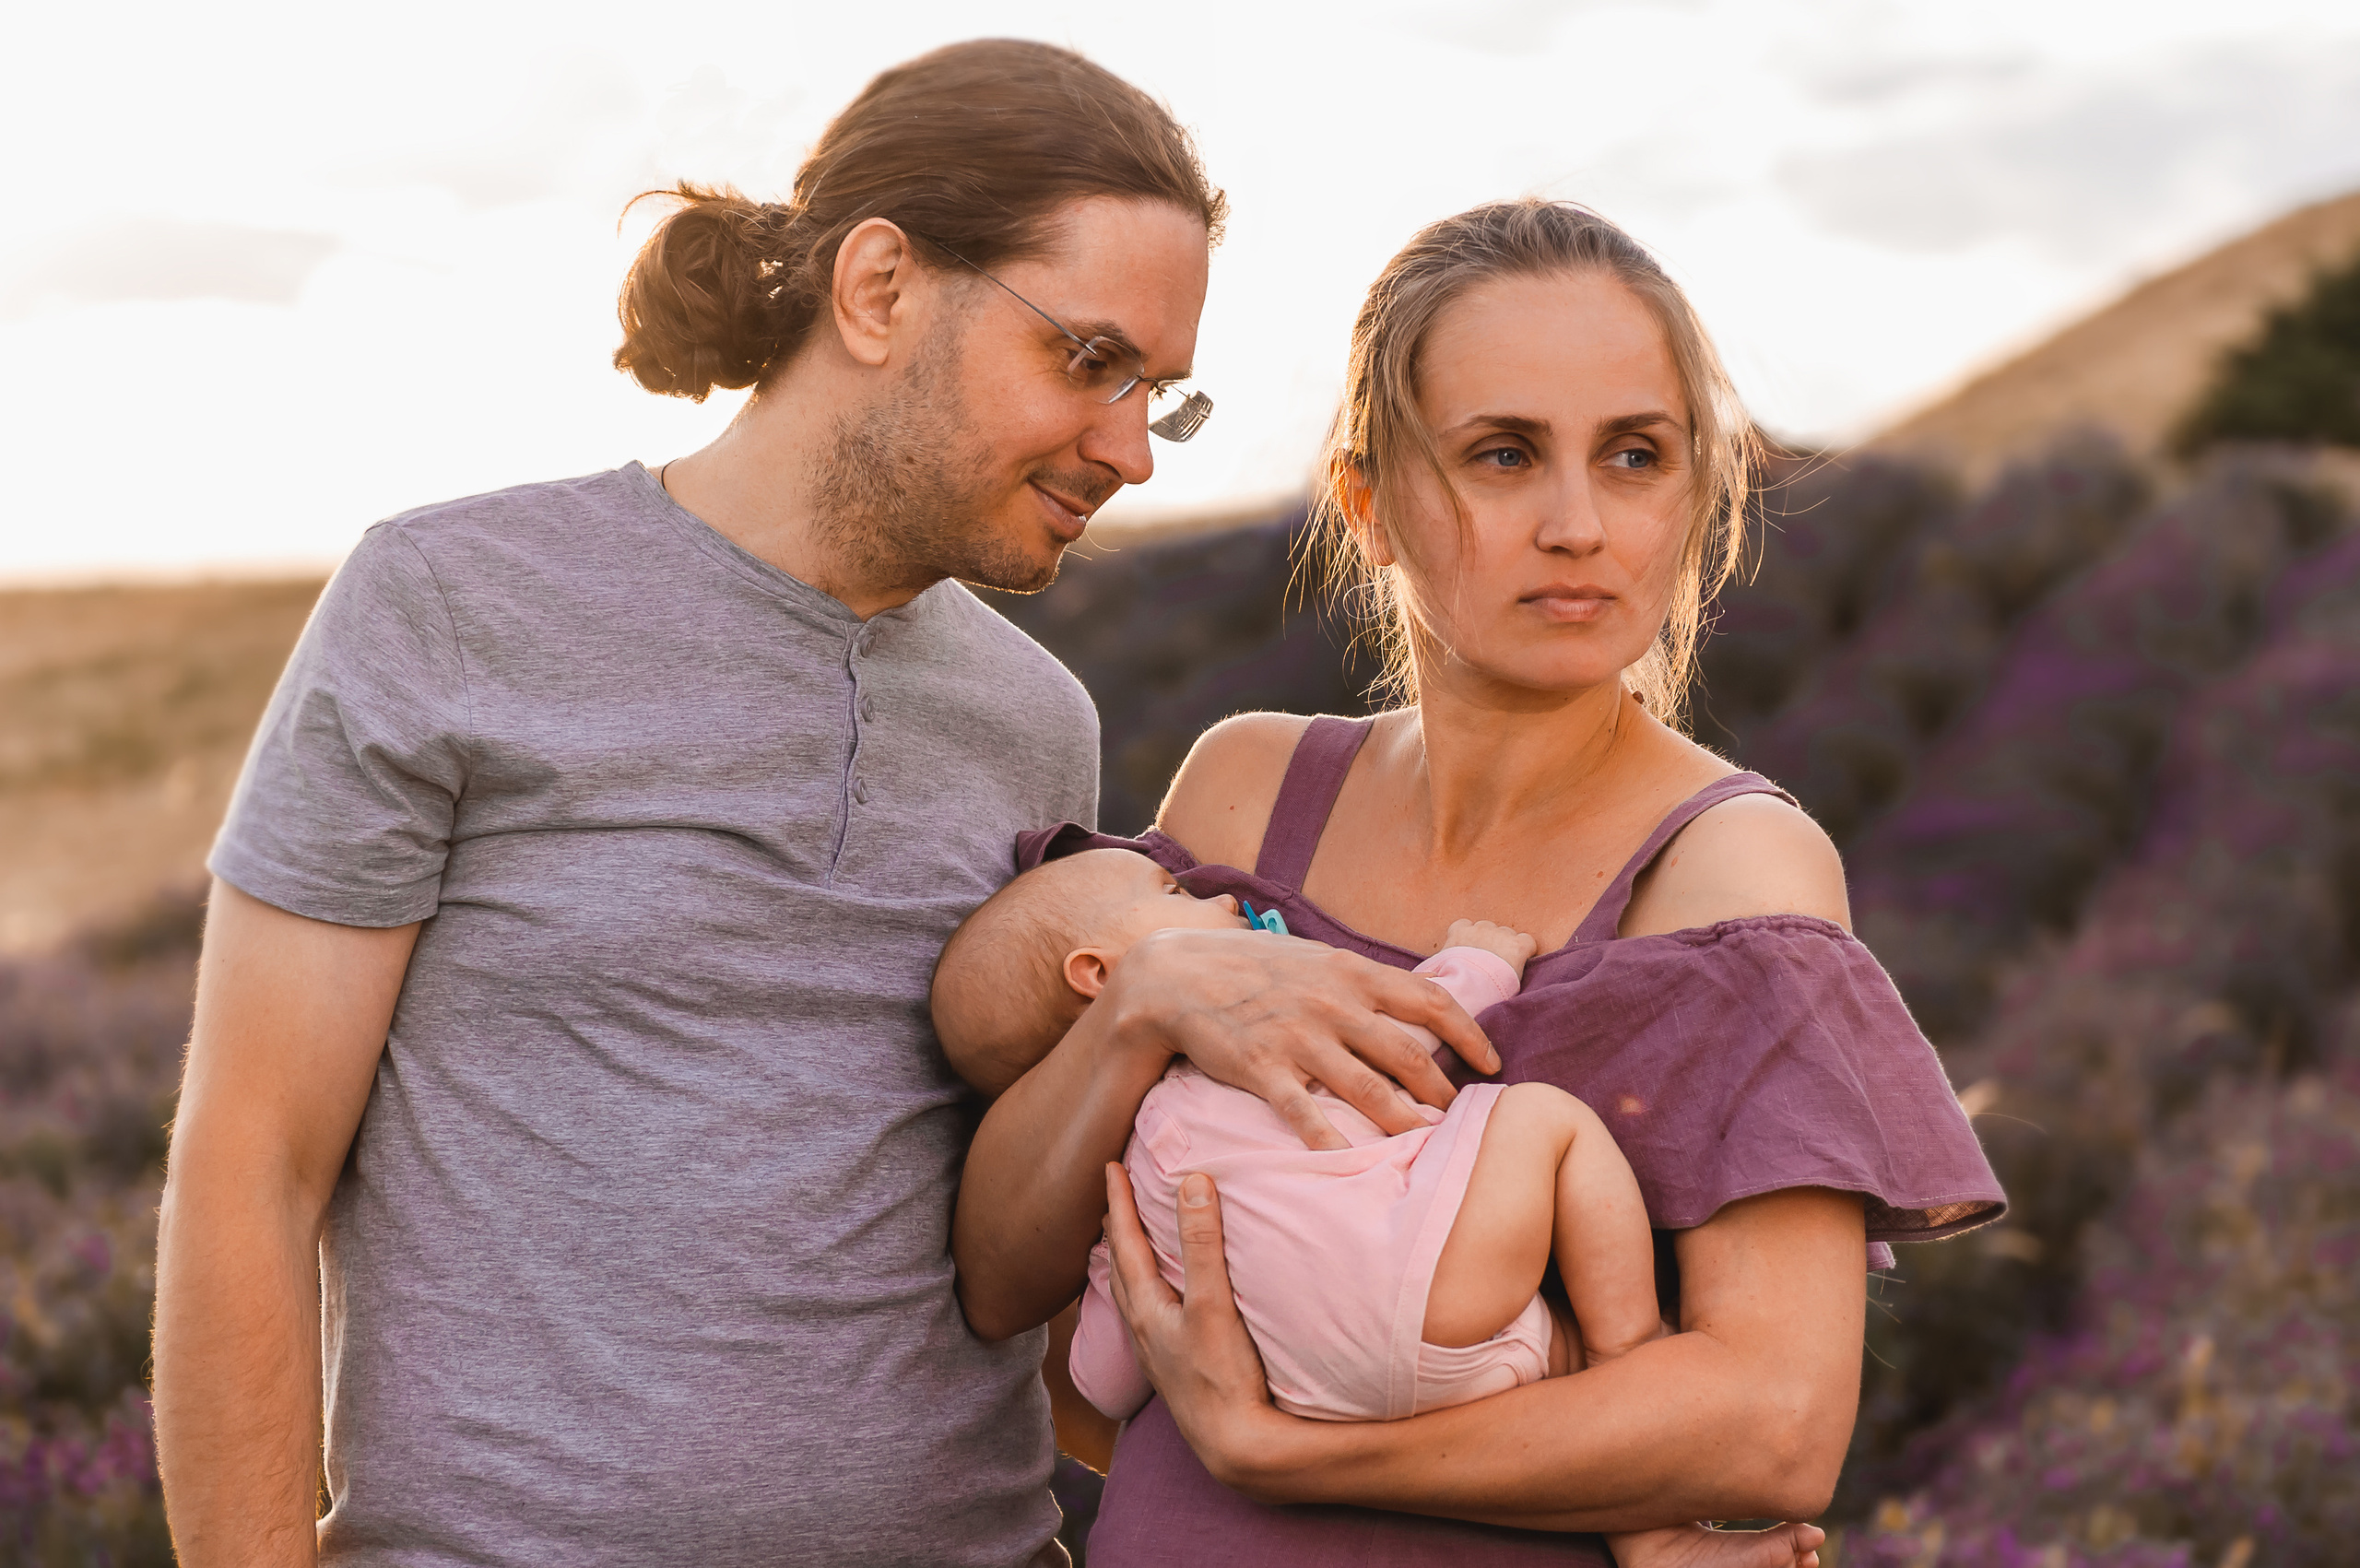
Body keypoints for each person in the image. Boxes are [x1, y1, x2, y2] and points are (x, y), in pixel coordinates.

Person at [151, 39, 1230, 1568]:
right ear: (879, 288)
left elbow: (1016, 1250)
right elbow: (249, 1163)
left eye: (1161, 398)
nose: (1126, 448)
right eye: (1089, 360)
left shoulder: (1034, 723)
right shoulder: (449, 603)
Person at [950, 200, 2007, 1564]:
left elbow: (1776, 1419)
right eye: (1503, 455)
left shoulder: (1728, 864)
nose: (1578, 523)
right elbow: (1001, 1285)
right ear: (1370, 503)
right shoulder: (1249, 791)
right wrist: (1140, 1002)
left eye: (1635, 456)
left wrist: (1289, 1451)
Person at [934, 846, 1818, 1568]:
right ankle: (1633, 1375)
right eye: (1170, 891)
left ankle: (1644, 1524)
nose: (1211, 893)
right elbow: (1417, 1029)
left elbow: (1103, 1375)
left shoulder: (1115, 1168)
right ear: (1100, 975)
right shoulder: (1254, 1029)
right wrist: (1482, 959)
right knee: (1546, 1123)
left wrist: (1174, 1361)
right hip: (1443, 1300)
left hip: (1312, 1395)